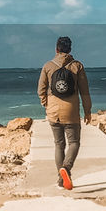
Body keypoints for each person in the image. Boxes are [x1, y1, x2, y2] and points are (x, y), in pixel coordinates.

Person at [37, 36, 92, 190]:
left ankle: (61, 180)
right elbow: (84, 92)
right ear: (70, 50)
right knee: (74, 143)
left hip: (53, 112)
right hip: (71, 111)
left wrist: (46, 104)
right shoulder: (77, 66)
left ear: (56, 49)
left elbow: (40, 89)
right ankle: (66, 169)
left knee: (59, 144)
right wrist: (87, 111)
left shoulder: (48, 66)